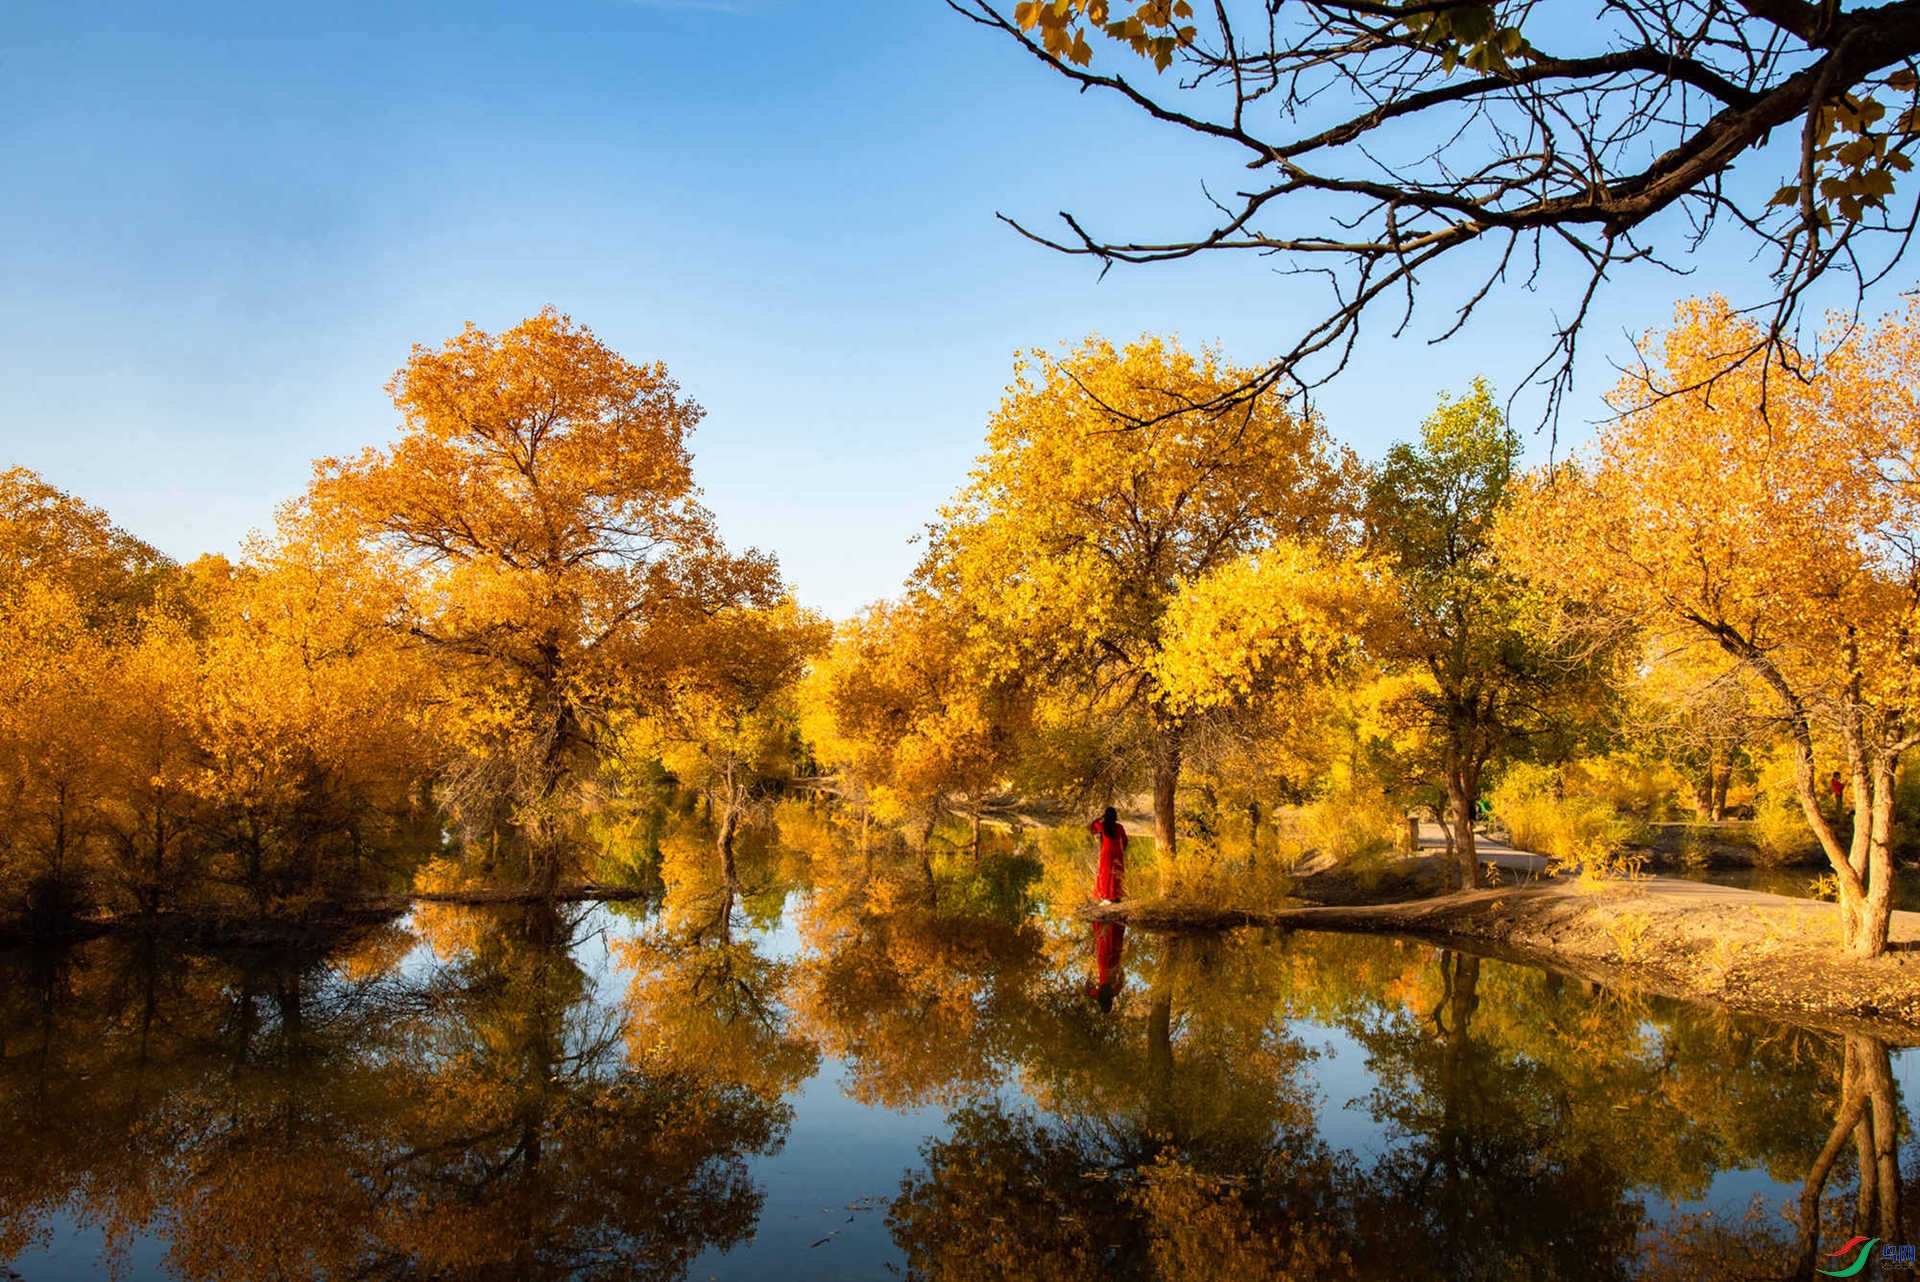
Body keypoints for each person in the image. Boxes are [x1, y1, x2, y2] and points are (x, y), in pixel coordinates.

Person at [1090, 806, 1127, 903]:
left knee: (1105, 873)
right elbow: (1125, 840)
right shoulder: (1119, 827)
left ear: (1106, 816)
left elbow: (1093, 825)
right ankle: (1116, 895)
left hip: (1106, 852)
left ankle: (1106, 895)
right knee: (1117, 873)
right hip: (1117, 852)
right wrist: (1122, 849)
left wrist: (1101, 817)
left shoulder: (1103, 826)